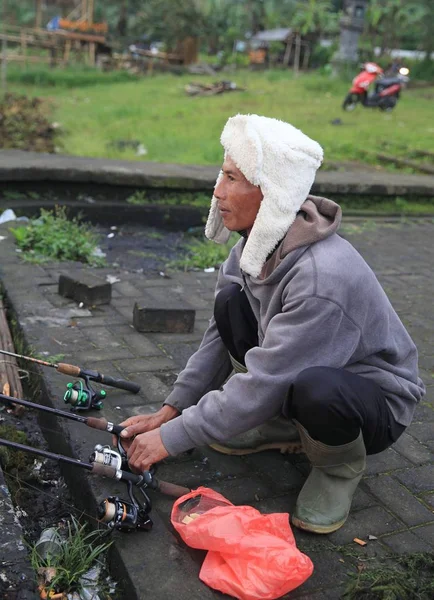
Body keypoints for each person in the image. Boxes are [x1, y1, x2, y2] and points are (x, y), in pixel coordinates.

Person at [118, 114, 425, 534]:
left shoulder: (322, 277)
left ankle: (337, 468)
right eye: (220, 174)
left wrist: (172, 439)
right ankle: (281, 424)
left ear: (273, 193)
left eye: (231, 178)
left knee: (317, 388)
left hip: (370, 401)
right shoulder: (255, 245)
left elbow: (267, 380)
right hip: (297, 371)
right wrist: (171, 412)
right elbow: (216, 341)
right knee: (229, 304)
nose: (217, 190)